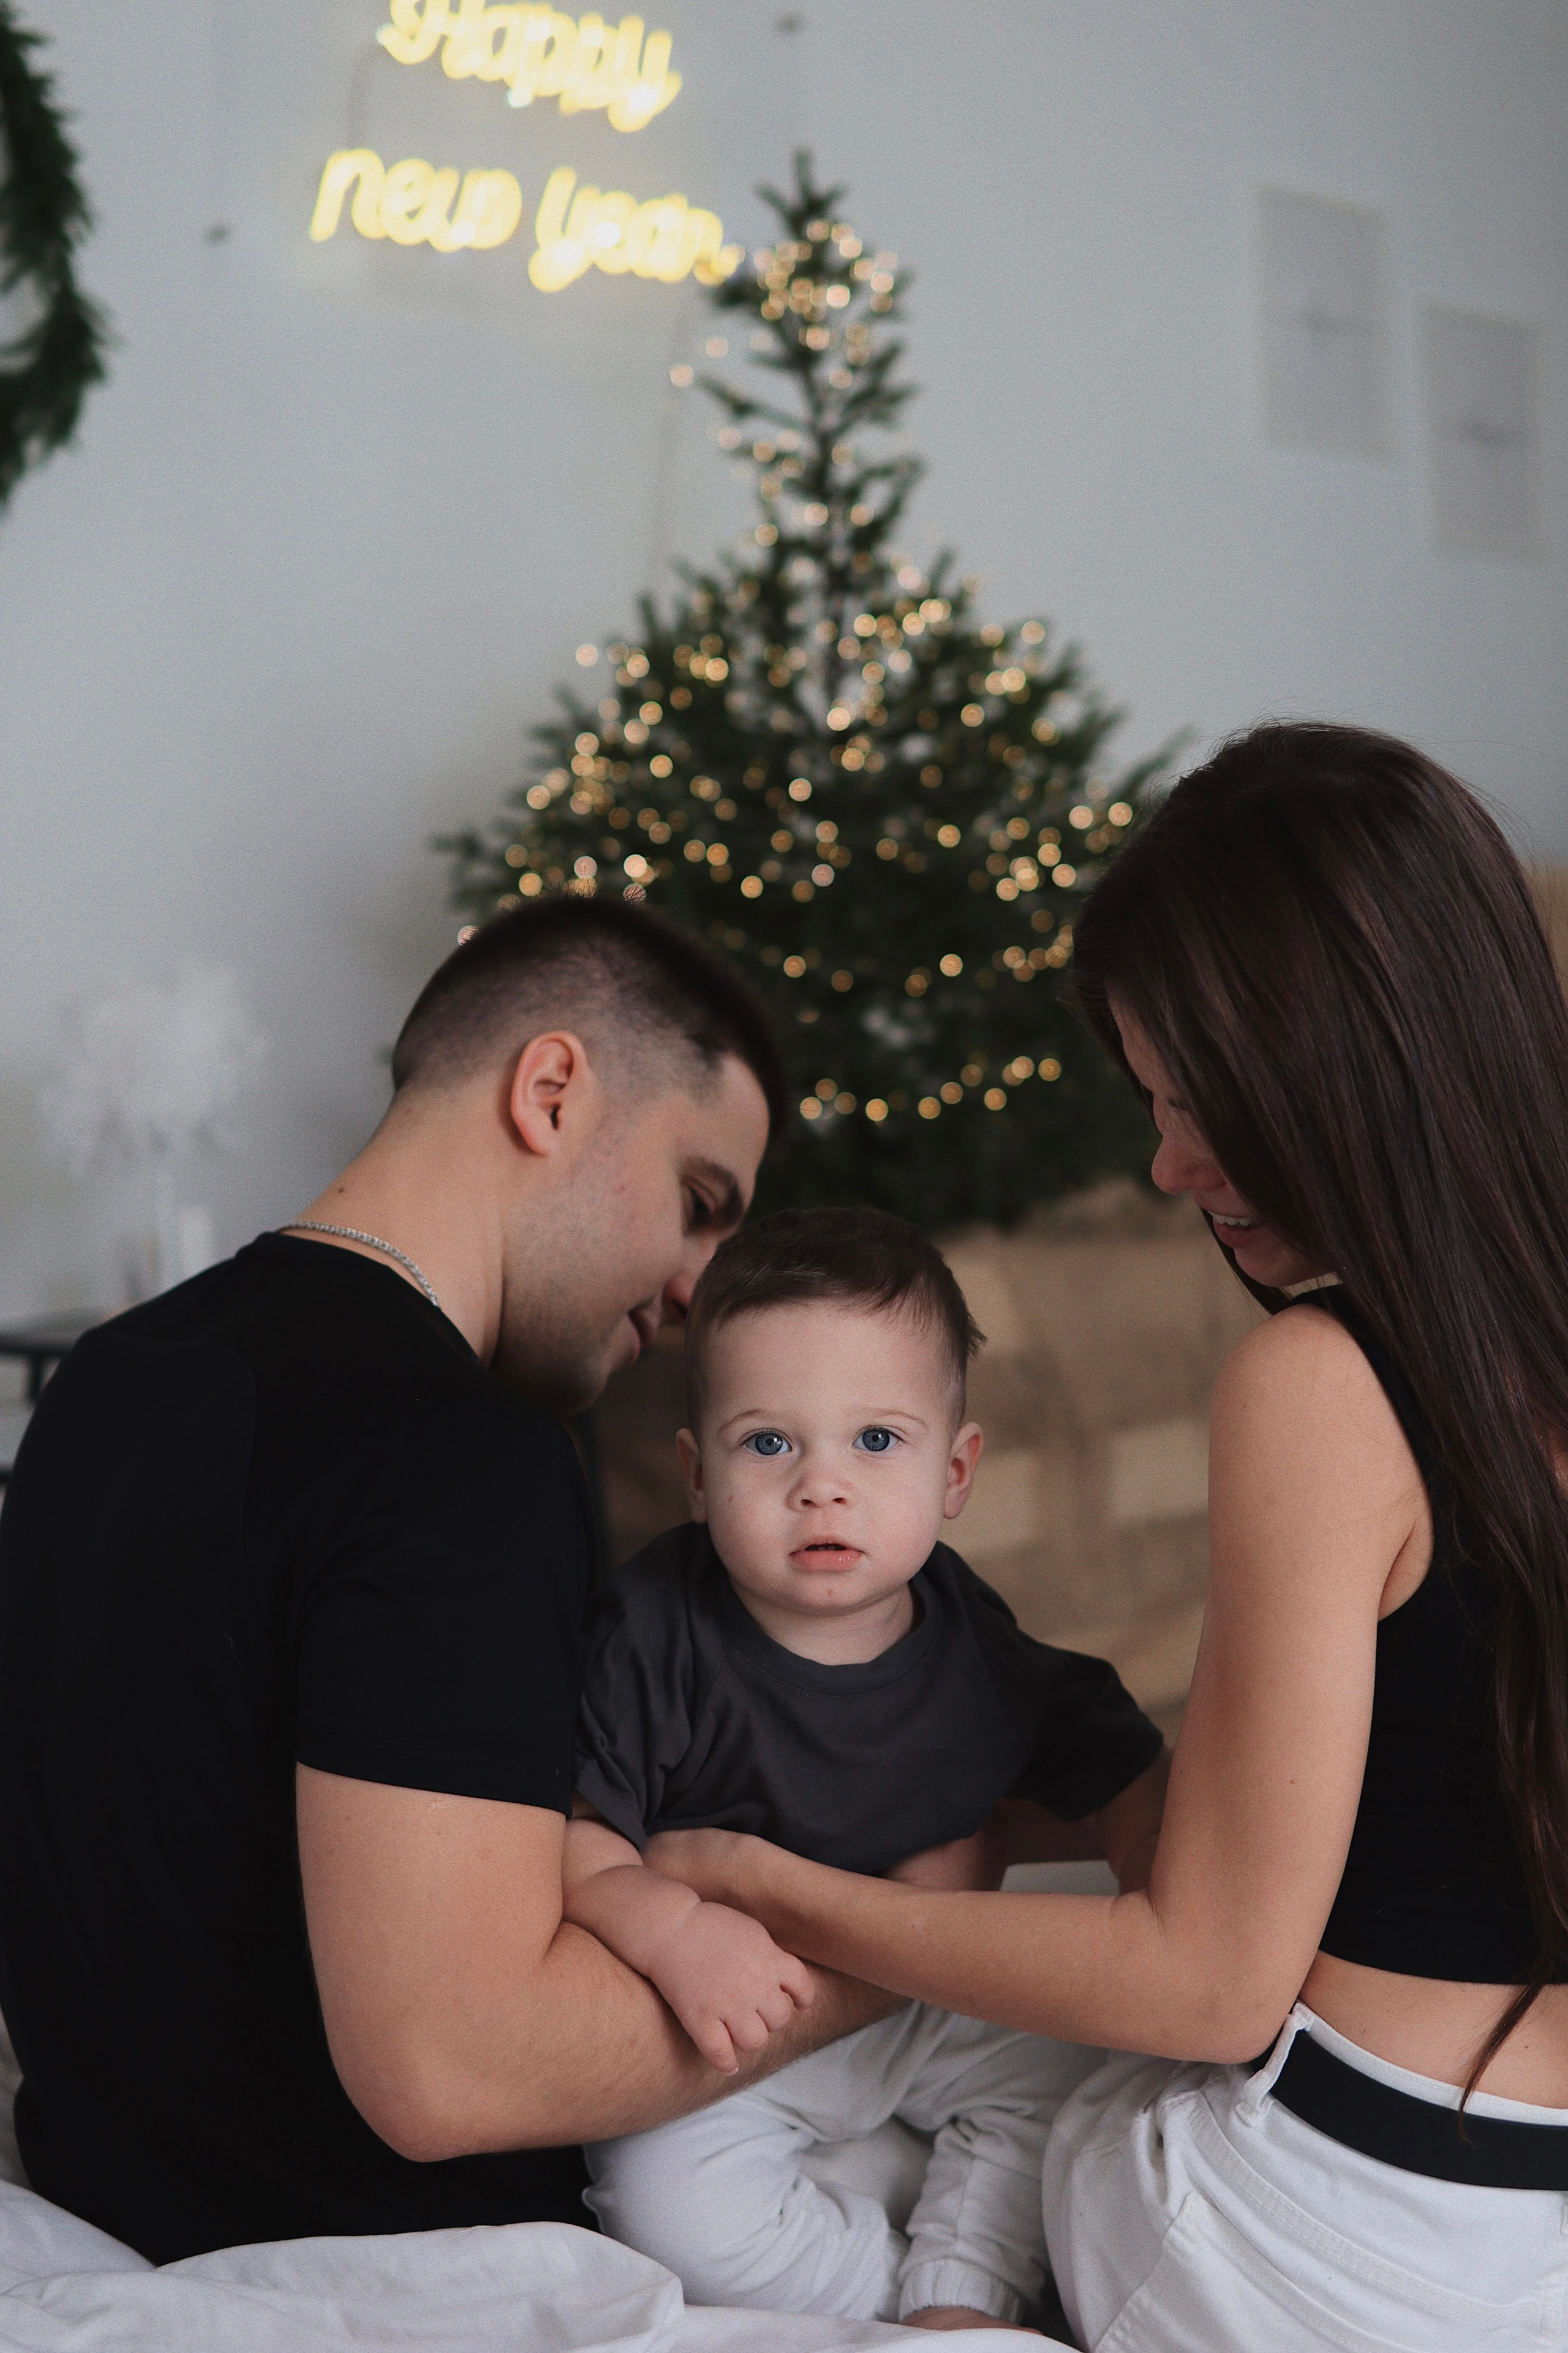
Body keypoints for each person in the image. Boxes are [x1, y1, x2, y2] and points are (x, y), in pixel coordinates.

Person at [641, 725, 1568, 2352]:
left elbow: (1209, 1982)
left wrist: (774, 1887)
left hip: (1338, 2237)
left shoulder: (1320, 1382)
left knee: (1013, 2078)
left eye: (1194, 1100)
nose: (1164, 1165)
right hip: (1536, 2224)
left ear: (1350, 1060)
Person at [0, 898, 899, 2265]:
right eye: (698, 1200)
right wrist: (900, 1946)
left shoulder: (111, 1376)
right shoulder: (461, 1456)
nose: (699, 1287)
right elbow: (452, 2069)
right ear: (550, 1091)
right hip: (378, 2271)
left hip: (100, 2213)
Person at [562, 1207, 1169, 2333]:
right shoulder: (653, 1629)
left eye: (876, 1442)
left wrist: (1157, 1880)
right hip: (741, 2026)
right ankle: (890, 2269)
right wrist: (672, 1931)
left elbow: (1116, 1754)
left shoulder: (966, 1635)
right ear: (697, 1472)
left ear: (957, 1469)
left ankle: (962, 2292)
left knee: (1096, 2067)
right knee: (661, 2204)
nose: (821, 1486)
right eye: (769, 1443)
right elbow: (575, 1834)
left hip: (928, 1990)